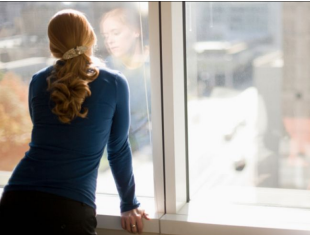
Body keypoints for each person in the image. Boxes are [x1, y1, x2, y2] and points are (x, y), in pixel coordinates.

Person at [0, 9, 150, 235]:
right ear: (91, 38)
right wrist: (128, 203)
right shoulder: (114, 83)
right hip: (69, 209)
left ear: (53, 47)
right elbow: (118, 149)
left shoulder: (38, 81)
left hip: (16, 200)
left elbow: (44, 135)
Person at [100, 8, 151, 153]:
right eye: (105, 36)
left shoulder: (156, 64)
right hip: (121, 152)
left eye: (116, 33)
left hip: (155, 148)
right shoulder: (106, 69)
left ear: (136, 31)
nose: (109, 40)